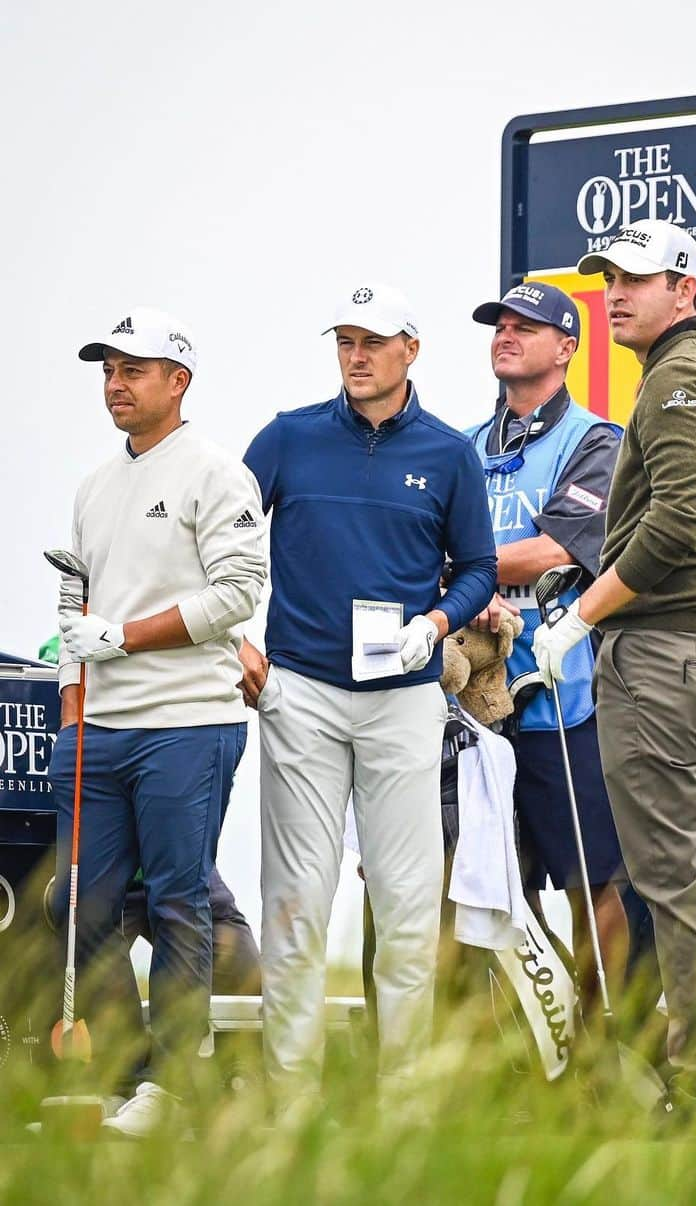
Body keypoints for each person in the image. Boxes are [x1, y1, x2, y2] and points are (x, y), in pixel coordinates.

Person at [241, 283, 496, 1112]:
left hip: (404, 698)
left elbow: (481, 568)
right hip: (304, 695)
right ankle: (290, 1107)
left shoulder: (450, 453)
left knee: (409, 909)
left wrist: (438, 620)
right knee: (295, 905)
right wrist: (242, 653)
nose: (355, 356)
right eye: (345, 340)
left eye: (372, 341)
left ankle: (406, 1107)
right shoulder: (289, 438)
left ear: (409, 351)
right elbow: (221, 540)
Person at [534, 219, 696, 1109]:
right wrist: (580, 570)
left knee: (667, 882)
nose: (615, 293)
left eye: (635, 278)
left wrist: (579, 617)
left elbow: (677, 524)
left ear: (685, 290)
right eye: (607, 279)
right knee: (689, 869)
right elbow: (667, 523)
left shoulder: (677, 377)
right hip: (693, 647)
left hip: (667, 654)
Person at [53, 308, 266, 1135]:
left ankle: (176, 1086)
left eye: (134, 369)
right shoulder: (94, 487)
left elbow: (239, 593)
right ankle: (123, 1070)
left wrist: (128, 638)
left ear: (178, 383)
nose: (116, 383)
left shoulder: (215, 474)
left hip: (188, 723)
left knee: (180, 901)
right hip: (100, 730)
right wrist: (75, 702)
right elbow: (78, 606)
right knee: (81, 902)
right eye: (108, 368)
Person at [467, 281, 628, 1004]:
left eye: (525, 325)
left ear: (566, 347)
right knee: (497, 892)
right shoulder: (464, 445)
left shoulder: (595, 439)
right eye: (500, 323)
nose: (506, 333)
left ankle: (603, 1044)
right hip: (472, 705)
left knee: (594, 883)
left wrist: (461, 570)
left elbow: (558, 548)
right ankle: (542, 1050)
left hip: (563, 698)